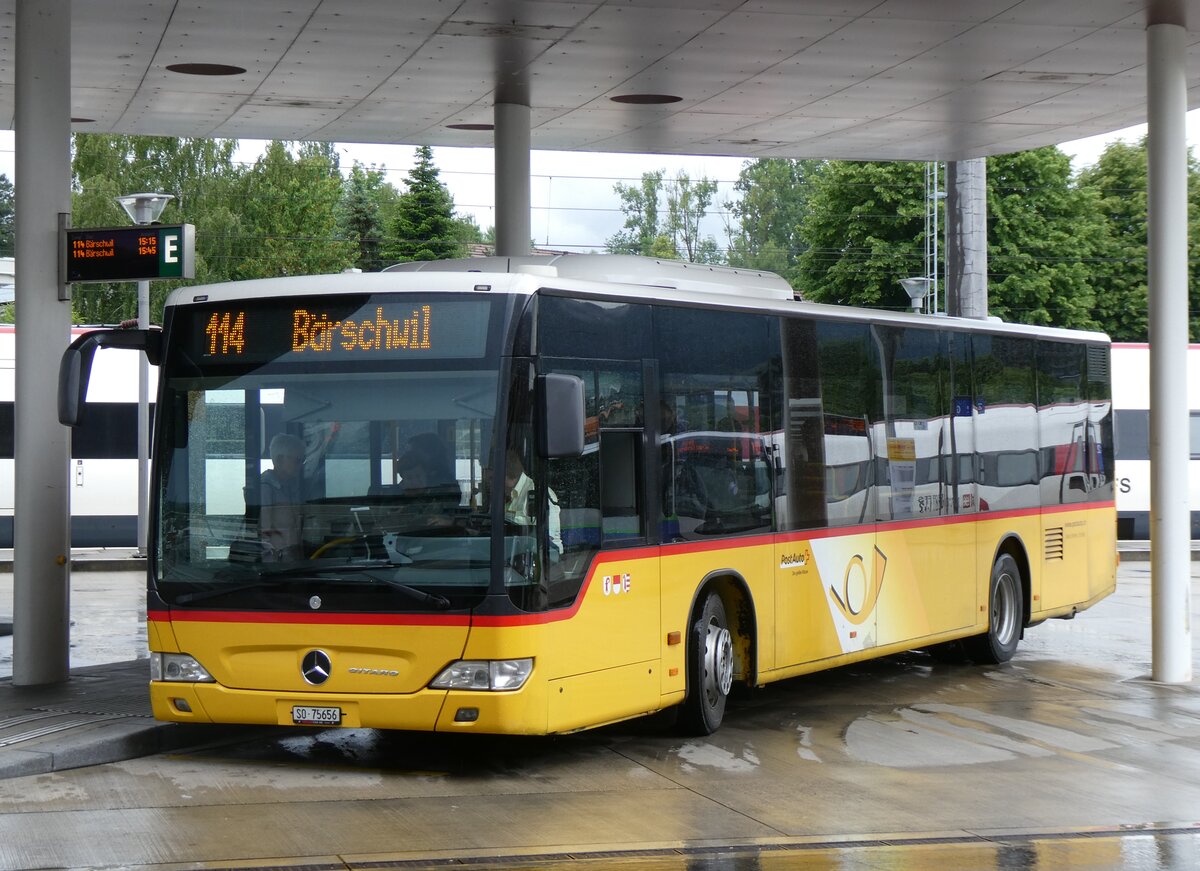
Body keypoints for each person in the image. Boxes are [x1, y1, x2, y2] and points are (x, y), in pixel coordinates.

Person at [504, 446, 562, 558]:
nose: (489, 483)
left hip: (544, 559)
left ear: (507, 474)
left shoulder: (539, 494)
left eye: (493, 478)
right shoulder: (506, 494)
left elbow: (547, 540)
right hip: (513, 553)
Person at [260, 432, 306, 561]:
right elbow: (264, 534)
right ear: (279, 460)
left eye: (303, 460)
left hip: (293, 561)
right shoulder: (265, 488)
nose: (301, 466)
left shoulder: (292, 486)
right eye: (297, 460)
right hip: (277, 565)